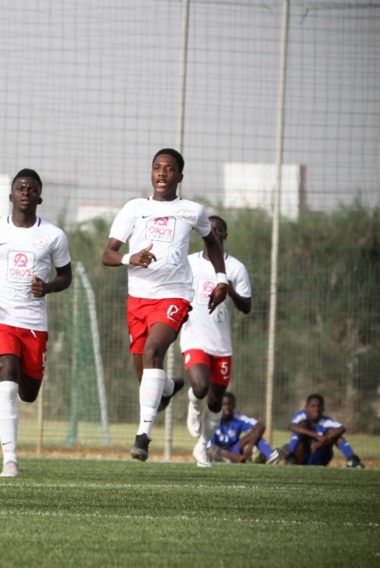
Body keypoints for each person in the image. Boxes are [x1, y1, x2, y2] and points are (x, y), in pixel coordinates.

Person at [102, 148, 228, 462]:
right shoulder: (134, 208)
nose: (161, 174)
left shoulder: (192, 210)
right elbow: (108, 254)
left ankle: (143, 437)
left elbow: (211, 243)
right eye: (157, 167)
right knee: (146, 376)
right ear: (151, 173)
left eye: (169, 169)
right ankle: (168, 388)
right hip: (138, 299)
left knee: (153, 352)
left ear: (179, 176)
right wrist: (132, 258)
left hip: (174, 295)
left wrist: (222, 279)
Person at [0, 168, 72, 478]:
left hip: (34, 324)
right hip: (0, 317)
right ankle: (9, 459)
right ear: (11, 195)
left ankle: (11, 448)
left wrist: (48, 286)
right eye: (20, 187)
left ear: (39, 195)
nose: (26, 191)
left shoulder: (54, 235)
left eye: (32, 188)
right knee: (6, 375)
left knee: (28, 392)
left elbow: (66, 276)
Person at [179, 215, 253, 467]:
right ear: (203, 234)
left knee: (215, 401)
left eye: (219, 230)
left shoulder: (236, 268)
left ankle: (202, 447)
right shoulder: (189, 263)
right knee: (200, 388)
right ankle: (193, 404)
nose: (214, 233)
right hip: (193, 337)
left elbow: (247, 307)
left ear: (224, 235)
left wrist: (229, 288)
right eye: (210, 230)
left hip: (221, 345)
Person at [284, 393, 364, 468]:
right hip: (302, 457)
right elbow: (292, 426)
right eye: (313, 406)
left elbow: (342, 428)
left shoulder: (326, 421)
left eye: (319, 406)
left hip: (320, 456)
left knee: (336, 435)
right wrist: (316, 435)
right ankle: (290, 458)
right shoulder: (301, 415)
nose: (316, 409)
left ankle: (352, 459)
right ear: (306, 408)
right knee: (299, 430)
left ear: (323, 408)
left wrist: (322, 442)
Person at [203, 392, 280, 465]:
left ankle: (270, 456)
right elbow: (210, 446)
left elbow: (260, 427)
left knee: (255, 434)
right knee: (212, 450)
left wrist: (250, 447)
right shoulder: (212, 420)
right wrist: (235, 457)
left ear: (234, 405)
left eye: (230, 404)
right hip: (219, 452)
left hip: (234, 448)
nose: (227, 407)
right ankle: (239, 460)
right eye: (224, 404)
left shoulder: (238, 417)